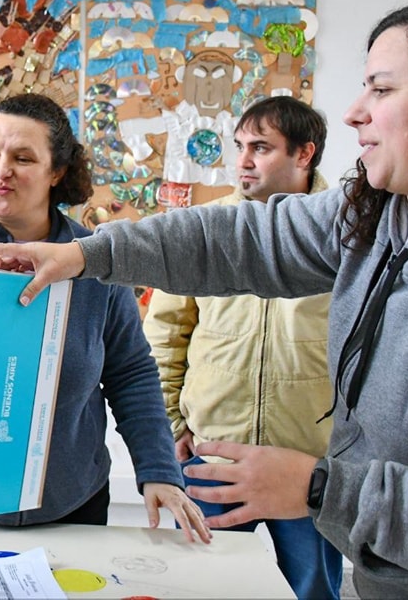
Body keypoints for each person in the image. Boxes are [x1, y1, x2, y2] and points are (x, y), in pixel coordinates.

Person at [0, 0, 408, 598]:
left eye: (382, 90)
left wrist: (323, 489)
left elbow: (129, 370)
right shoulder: (372, 220)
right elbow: (231, 238)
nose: (355, 112)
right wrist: (87, 255)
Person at [0, 93, 210, 542]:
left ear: (57, 172)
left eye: (23, 157)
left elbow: (131, 373)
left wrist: (159, 469)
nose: (1, 170)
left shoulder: (96, 260)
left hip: (71, 504)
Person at [143, 95, 342, 599]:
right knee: (199, 587)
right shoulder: (207, 229)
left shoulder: (349, 234)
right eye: (239, 147)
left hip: (308, 466)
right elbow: (166, 334)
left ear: (304, 154)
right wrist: (171, 425)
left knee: (311, 589)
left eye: (261, 147)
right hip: (213, 456)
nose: (243, 161)